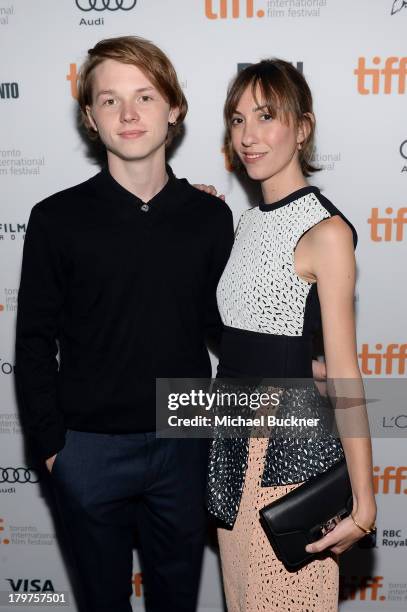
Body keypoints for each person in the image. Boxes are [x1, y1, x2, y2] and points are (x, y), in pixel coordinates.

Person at [15, 36, 234, 612]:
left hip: (185, 443)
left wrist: (307, 365)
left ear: (175, 109)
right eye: (110, 100)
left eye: (145, 96)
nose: (129, 113)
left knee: (176, 603)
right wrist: (54, 447)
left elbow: (225, 329)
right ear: (90, 117)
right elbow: (33, 342)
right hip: (86, 451)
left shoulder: (211, 217)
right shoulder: (55, 219)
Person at [207, 59, 377, 611]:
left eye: (265, 116)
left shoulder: (325, 232)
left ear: (302, 128)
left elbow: (346, 371)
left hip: (286, 456)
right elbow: (251, 334)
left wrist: (365, 504)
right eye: (237, 119)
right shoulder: (247, 221)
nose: (248, 136)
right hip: (231, 446)